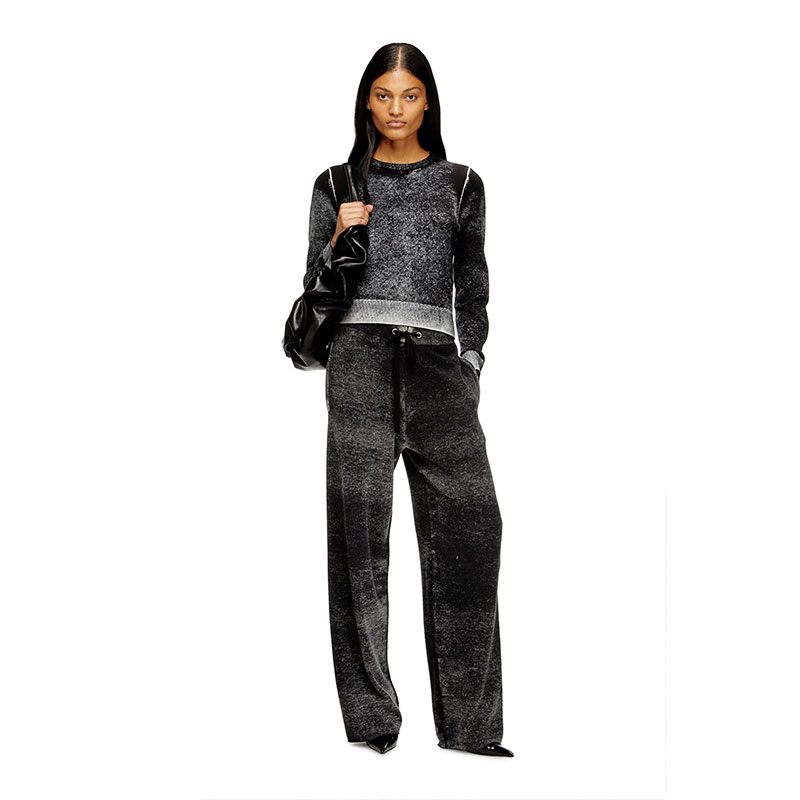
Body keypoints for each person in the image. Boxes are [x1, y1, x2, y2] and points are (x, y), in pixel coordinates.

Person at [302, 43, 513, 758]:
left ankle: (472, 727)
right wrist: (338, 238)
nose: (396, 109)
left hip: (438, 368)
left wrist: (470, 357)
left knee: (475, 529)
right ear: (367, 100)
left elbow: (473, 287)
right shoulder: (336, 183)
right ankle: (373, 721)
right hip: (358, 364)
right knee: (359, 542)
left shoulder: (461, 184)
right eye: (384, 95)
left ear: (428, 102)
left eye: (410, 95)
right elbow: (312, 291)